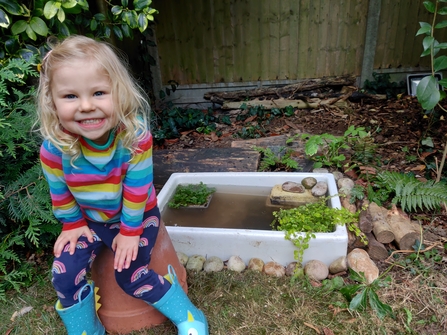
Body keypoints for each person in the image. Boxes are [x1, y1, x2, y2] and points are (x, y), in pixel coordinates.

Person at [36, 35, 209, 335]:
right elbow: (59, 191)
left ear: (119, 92)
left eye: (99, 93)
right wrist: (72, 224)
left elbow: (137, 191)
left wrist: (130, 232)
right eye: (70, 97)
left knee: (129, 273)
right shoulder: (55, 149)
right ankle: (88, 330)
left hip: (138, 216)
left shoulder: (134, 138)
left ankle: (189, 316)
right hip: (90, 221)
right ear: (52, 102)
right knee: (63, 276)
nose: (87, 106)